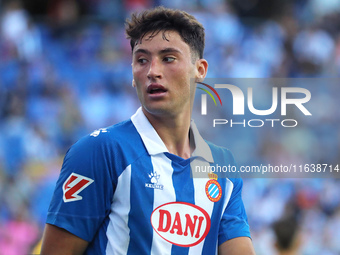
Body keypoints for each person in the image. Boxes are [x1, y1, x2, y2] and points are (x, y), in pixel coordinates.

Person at [41, 6, 255, 255]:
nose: (153, 71)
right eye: (142, 60)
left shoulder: (223, 165)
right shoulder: (99, 152)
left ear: (200, 70)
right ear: (133, 74)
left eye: (168, 58)